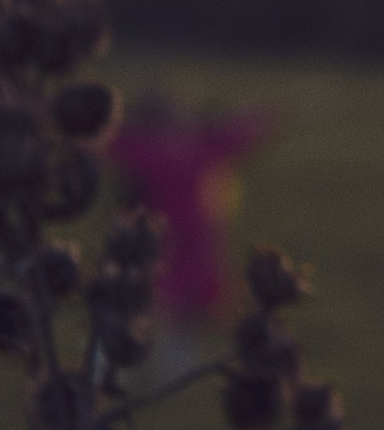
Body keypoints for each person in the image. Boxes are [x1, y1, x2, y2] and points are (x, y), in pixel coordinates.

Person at [108, 102, 275, 328]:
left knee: (167, 309)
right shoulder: (199, 147)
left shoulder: (141, 150)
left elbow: (105, 139)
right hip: (194, 238)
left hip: (158, 238)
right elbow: (238, 134)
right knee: (187, 312)